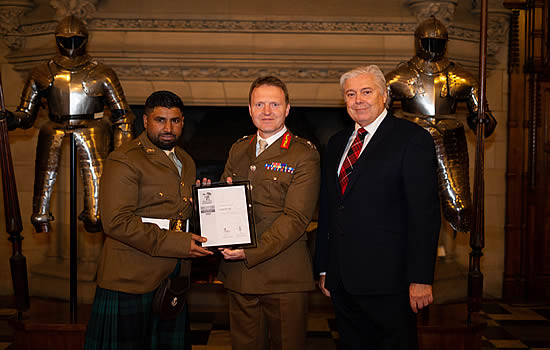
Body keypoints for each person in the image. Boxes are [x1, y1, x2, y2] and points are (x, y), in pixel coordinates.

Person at [315, 65, 441, 349]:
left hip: (391, 284)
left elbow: (425, 214)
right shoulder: (336, 144)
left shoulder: (412, 139)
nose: (358, 99)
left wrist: (421, 278)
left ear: (384, 96)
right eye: (350, 94)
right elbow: (330, 208)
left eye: (366, 92)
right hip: (343, 281)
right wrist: (324, 267)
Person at [84, 91, 213, 350]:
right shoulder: (125, 159)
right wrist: (179, 244)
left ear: (183, 122)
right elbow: (116, 222)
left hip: (173, 276)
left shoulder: (186, 161)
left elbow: (177, 213)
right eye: (160, 120)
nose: (168, 128)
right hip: (131, 277)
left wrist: (205, 207)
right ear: (145, 121)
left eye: (175, 121)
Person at [4, 15, 135, 233]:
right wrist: (11, 119)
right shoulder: (42, 71)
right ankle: (41, 216)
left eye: (76, 39)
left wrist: (122, 153)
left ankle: (92, 215)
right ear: (57, 40)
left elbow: (123, 116)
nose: (71, 45)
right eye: (66, 40)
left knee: (97, 215)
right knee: (40, 211)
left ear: (85, 39)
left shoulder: (102, 72)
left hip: (92, 128)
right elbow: (26, 114)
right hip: (53, 127)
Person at [218, 76, 320, 350]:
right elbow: (225, 205)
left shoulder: (303, 154)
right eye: (259, 104)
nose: (266, 111)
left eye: (274, 104)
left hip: (283, 276)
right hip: (239, 275)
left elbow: (296, 219)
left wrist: (250, 251)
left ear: (287, 109)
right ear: (249, 110)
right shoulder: (239, 149)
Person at [385, 16, 496, 233]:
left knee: (459, 206)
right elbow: (381, 123)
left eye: (436, 43)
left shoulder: (461, 77)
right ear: (418, 42)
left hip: (449, 143)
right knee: (403, 204)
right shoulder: (398, 76)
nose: (432, 48)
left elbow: (486, 125)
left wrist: (481, 118)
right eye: (428, 42)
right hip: (410, 141)